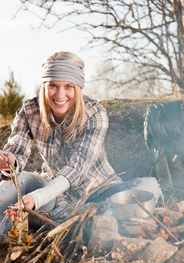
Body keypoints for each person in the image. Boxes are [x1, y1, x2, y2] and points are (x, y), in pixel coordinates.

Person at [0, 51, 162, 241]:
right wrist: (9, 162)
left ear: (77, 87)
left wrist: (38, 198)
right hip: (56, 194)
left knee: (150, 187)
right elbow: (16, 153)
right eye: (52, 85)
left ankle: (70, 217)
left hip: (102, 192)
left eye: (68, 86)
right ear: (44, 85)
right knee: (19, 181)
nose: (60, 94)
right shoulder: (30, 111)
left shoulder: (95, 113)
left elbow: (77, 168)